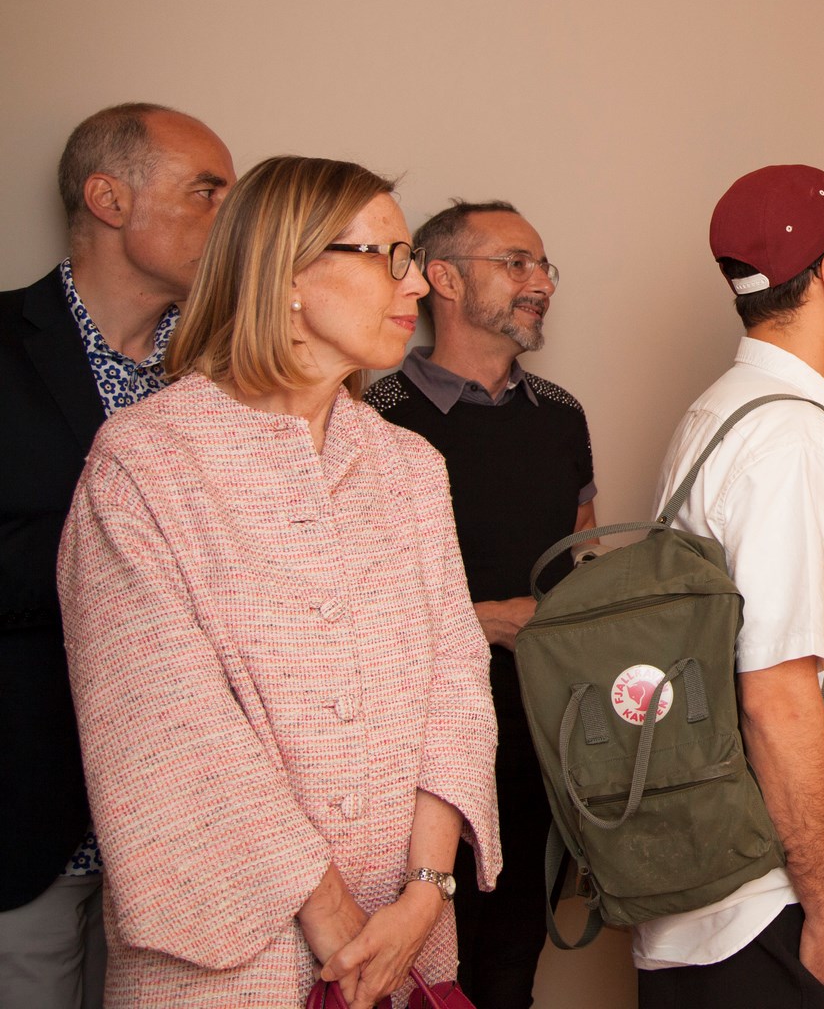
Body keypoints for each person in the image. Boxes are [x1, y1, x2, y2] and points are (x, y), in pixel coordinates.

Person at [55, 156, 500, 1009]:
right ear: (287, 272)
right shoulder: (146, 462)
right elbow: (167, 730)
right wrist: (335, 920)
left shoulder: (409, 466)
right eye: (388, 256)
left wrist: (423, 893)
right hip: (226, 958)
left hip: (405, 939)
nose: (415, 286)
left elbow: (456, 681)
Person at [636, 163, 824, 1009]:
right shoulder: (791, 443)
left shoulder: (720, 410)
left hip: (716, 884)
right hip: (771, 910)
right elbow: (779, 693)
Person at [0, 101, 235, 1008]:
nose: (229, 218)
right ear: (107, 197)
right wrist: (127, 548)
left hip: (194, 834)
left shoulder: (227, 378)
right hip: (29, 820)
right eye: (206, 192)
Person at [364, 199, 594, 1009]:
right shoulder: (375, 415)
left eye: (543, 267)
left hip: (538, 734)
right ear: (442, 277)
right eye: (517, 263)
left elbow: (583, 557)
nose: (540, 283)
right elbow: (347, 604)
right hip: (414, 750)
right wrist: (483, 621)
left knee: (511, 956)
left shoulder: (563, 416)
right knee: (420, 962)